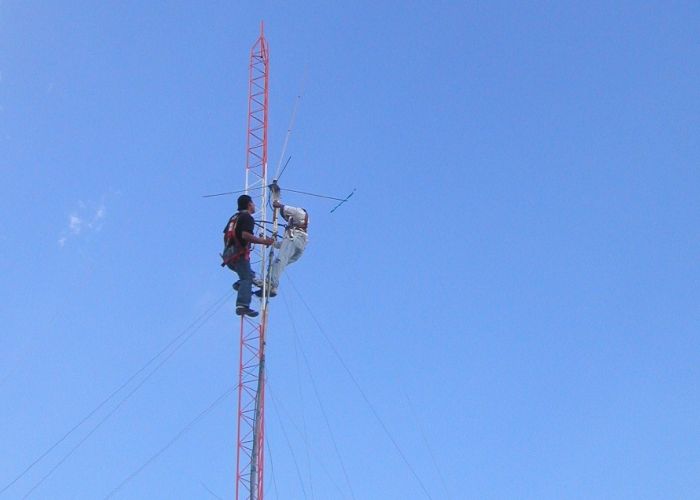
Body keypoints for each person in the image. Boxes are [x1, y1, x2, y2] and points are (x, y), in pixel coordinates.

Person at [223, 194, 273, 317]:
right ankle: (242, 305)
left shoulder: (234, 218)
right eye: (253, 203)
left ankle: (240, 285)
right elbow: (245, 235)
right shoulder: (247, 218)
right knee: (247, 279)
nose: (254, 205)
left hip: (229, 255)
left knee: (249, 275)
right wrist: (264, 242)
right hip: (238, 255)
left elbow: (227, 235)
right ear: (249, 204)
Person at [265, 200, 308, 296]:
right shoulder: (293, 228)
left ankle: (272, 284)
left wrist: (279, 205)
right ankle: (270, 284)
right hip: (298, 244)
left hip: (296, 238)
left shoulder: (300, 213)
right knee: (276, 265)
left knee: (280, 260)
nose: (287, 219)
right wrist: (272, 243)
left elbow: (294, 211)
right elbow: (284, 244)